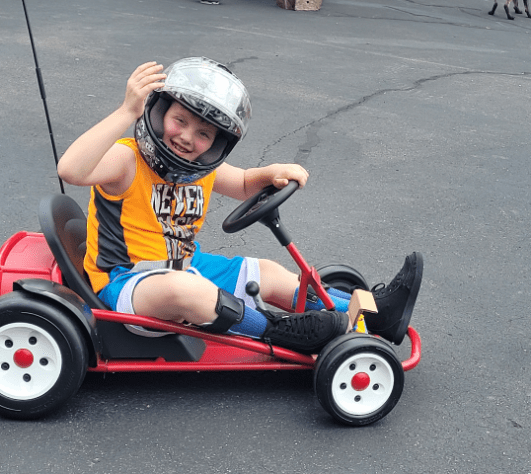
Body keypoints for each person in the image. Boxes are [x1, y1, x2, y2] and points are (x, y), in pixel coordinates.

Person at [57, 57, 423, 354]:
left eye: (204, 134)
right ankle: (280, 331)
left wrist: (272, 172)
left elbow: (246, 183)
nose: (187, 137)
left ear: (216, 144)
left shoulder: (199, 171)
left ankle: (375, 313)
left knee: (267, 271)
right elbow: (70, 169)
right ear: (157, 112)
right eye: (179, 121)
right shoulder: (126, 162)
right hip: (127, 283)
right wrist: (126, 110)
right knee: (184, 291)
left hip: (188, 266)